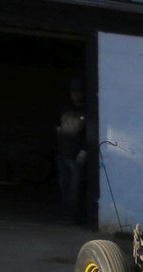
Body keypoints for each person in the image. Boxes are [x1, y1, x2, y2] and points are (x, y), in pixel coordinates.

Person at [56, 78, 86, 220]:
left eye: (78, 92)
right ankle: (65, 214)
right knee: (64, 185)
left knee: (75, 188)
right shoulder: (66, 108)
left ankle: (73, 217)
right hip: (63, 152)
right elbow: (59, 127)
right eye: (73, 92)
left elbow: (89, 132)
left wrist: (84, 150)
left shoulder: (86, 110)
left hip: (75, 153)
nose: (75, 95)